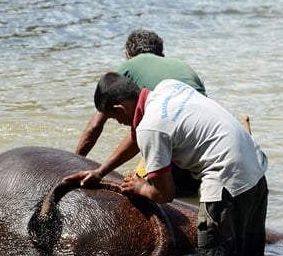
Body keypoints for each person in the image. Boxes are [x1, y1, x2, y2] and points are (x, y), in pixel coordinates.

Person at [64, 73, 269, 256]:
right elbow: (138, 135)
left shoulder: (151, 127)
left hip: (226, 182)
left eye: (113, 117)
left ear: (120, 108)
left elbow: (165, 194)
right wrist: (100, 172)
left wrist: (141, 187)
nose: (118, 122)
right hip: (255, 174)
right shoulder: (168, 88)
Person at [75, 29, 206, 196]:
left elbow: (96, 125)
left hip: (169, 140)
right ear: (161, 54)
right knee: (188, 200)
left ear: (128, 54)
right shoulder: (183, 66)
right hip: (200, 146)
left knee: (140, 194)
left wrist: (76, 161)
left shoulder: (128, 67)